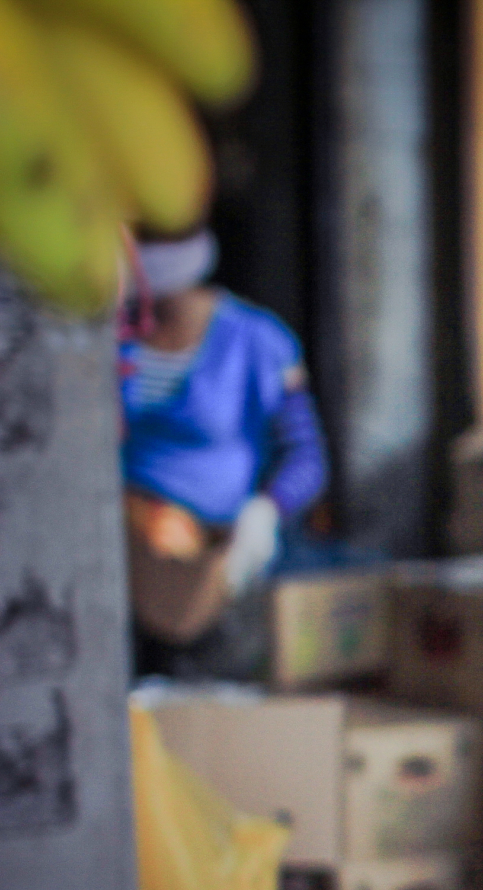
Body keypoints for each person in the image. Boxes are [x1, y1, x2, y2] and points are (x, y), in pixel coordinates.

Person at [120, 226, 328, 672]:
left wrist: (266, 511)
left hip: (206, 566)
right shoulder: (116, 338)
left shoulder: (256, 340)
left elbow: (307, 458)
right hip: (122, 555)